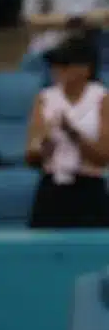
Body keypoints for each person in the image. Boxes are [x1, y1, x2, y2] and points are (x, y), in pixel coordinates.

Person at [26, 34, 109, 228]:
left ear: (85, 69)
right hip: (52, 187)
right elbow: (31, 157)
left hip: (89, 186)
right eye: (55, 64)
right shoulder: (44, 98)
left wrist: (74, 134)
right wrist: (45, 144)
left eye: (64, 64)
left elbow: (104, 157)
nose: (57, 70)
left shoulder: (101, 99)